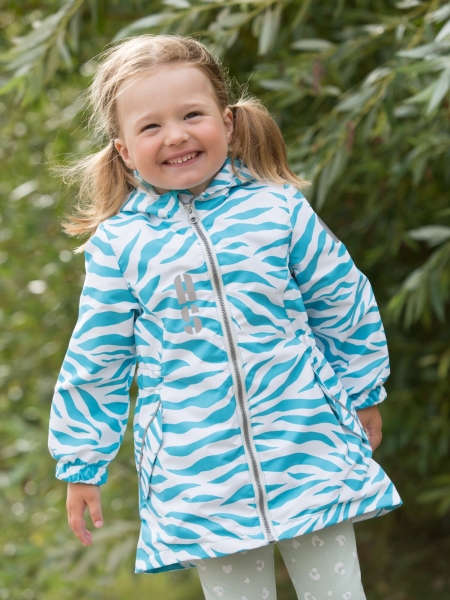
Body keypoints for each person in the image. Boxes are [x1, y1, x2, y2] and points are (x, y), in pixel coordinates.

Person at [48, 34, 402, 600]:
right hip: (199, 474)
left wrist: (363, 390)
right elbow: (98, 358)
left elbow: (341, 298)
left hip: (307, 443)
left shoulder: (278, 207)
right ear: (124, 150)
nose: (176, 135)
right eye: (151, 126)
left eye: (192, 115)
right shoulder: (120, 245)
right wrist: (80, 463)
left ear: (228, 123)